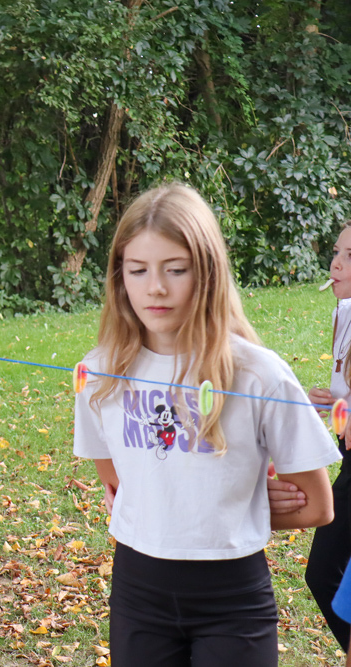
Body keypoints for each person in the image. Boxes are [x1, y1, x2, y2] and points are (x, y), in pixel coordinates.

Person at [73, 182, 339, 666]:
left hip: (232, 601)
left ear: (208, 273)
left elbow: (318, 506)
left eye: (176, 269)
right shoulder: (100, 374)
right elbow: (120, 486)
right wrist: (184, 497)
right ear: (119, 276)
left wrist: (236, 501)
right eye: (138, 269)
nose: (156, 287)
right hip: (137, 594)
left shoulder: (259, 375)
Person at [305, 220, 351, 649]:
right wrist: (330, 400)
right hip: (347, 457)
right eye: (337, 252)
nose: (336, 263)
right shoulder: (344, 312)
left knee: (322, 572)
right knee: (323, 574)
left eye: (350, 256)